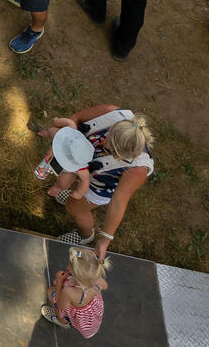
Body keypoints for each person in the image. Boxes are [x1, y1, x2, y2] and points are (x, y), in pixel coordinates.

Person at [42, 106, 154, 256]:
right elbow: (77, 116)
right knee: (70, 189)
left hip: (100, 184)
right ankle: (73, 195)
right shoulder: (113, 113)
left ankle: (85, 235)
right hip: (83, 162)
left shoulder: (138, 169)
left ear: (122, 157)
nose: (101, 145)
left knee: (73, 207)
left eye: (108, 151)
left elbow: (119, 202)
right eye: (106, 139)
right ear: (114, 127)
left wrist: (105, 240)